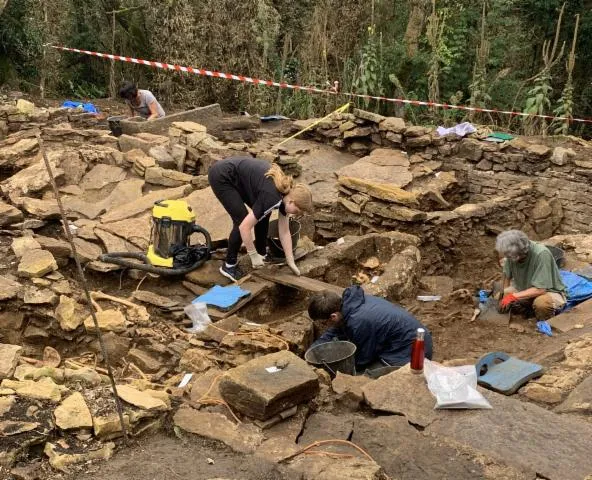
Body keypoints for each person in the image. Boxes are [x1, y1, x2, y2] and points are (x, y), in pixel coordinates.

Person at [208, 157, 313, 282]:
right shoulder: (271, 197)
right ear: (291, 201)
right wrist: (252, 255)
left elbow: (284, 232)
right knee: (241, 220)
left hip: (243, 180)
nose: (295, 214)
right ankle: (229, 265)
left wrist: (290, 261)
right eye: (296, 211)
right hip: (223, 176)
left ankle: (262, 254)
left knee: (263, 214)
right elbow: (244, 228)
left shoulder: (287, 195)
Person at [307, 286, 433, 375]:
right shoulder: (351, 303)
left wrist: (339, 371)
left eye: (325, 323)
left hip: (412, 352)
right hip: (406, 338)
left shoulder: (359, 322)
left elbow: (363, 358)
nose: (326, 326)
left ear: (333, 316)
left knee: (362, 377)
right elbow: (336, 331)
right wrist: (313, 350)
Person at [495, 230, 566, 320]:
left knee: (542, 304)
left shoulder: (541, 254)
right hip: (524, 288)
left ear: (521, 254)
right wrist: (505, 294)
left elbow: (540, 289)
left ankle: (544, 322)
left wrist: (512, 297)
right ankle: (528, 310)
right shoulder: (512, 252)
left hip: (548, 291)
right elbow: (507, 275)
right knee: (503, 294)